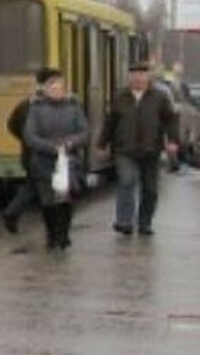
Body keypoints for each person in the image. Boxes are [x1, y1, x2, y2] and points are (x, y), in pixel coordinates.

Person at [98, 63, 180, 236]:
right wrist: (102, 144)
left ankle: (145, 223)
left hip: (151, 149)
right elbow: (110, 122)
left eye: (141, 75)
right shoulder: (120, 97)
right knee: (127, 180)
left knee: (150, 189)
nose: (138, 78)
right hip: (125, 149)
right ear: (129, 77)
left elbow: (170, 120)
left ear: (148, 77)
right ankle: (124, 221)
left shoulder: (159, 97)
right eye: (134, 75)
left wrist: (173, 140)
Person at [23, 70, 88, 251]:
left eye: (59, 87)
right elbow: (30, 136)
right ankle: (52, 235)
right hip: (44, 162)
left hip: (68, 162)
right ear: (45, 90)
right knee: (48, 201)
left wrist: (70, 143)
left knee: (65, 200)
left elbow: (84, 132)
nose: (56, 91)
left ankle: (64, 235)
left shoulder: (74, 108)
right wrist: (51, 147)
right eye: (52, 88)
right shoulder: (36, 109)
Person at [3, 67, 61, 234]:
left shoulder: (26, 104)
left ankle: (12, 213)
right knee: (46, 191)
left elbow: (12, 125)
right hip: (42, 155)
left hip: (30, 154)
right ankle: (53, 231)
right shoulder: (41, 106)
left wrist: (25, 140)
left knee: (34, 187)